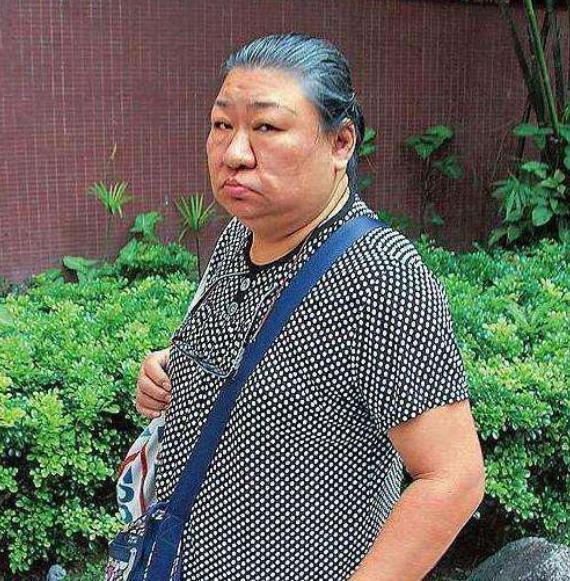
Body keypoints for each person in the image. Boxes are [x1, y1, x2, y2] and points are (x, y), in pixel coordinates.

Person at [134, 32, 485, 580]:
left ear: (340, 143)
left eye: (266, 128)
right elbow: (257, 362)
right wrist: (170, 371)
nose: (234, 153)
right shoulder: (240, 236)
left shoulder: (379, 274)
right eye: (222, 125)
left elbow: (453, 478)